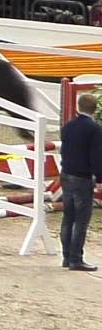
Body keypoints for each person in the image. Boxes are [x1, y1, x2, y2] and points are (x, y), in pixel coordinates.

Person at [59, 93, 102, 271]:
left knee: (68, 218)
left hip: (66, 174)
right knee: (81, 221)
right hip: (82, 178)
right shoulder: (95, 129)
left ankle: (67, 256)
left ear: (78, 106)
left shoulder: (68, 127)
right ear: (95, 109)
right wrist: (100, 178)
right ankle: (76, 258)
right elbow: (96, 156)